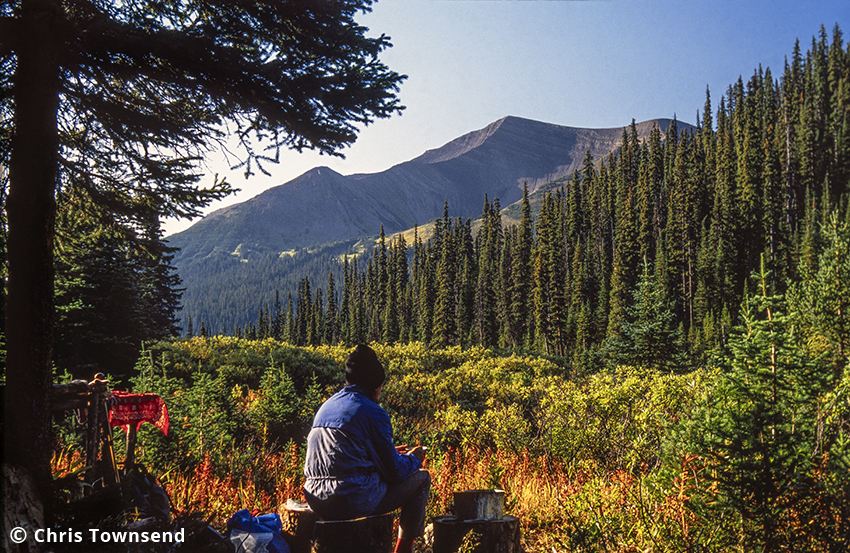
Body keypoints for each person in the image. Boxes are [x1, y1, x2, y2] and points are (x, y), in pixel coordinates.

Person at [303, 344, 430, 553]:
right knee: (422, 479)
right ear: (375, 385)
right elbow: (394, 472)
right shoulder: (373, 412)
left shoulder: (326, 407)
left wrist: (386, 454)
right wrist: (413, 458)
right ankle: (403, 550)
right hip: (352, 500)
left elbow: (343, 455)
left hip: (316, 498)